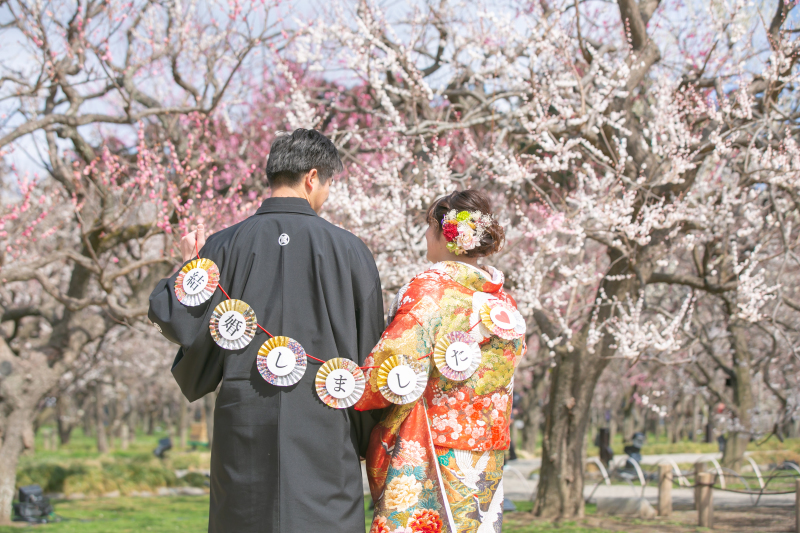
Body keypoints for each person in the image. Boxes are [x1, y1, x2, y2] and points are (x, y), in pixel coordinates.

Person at [148, 129, 385, 533]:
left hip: (245, 416)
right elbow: (369, 352)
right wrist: (366, 436)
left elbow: (170, 314)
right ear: (313, 178)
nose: (326, 193)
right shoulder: (351, 250)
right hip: (326, 417)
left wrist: (190, 267)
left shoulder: (224, 245)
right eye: (328, 183)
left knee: (246, 518)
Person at [355, 190, 526, 533]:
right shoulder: (503, 303)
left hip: (430, 445)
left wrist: (351, 390)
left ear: (446, 235)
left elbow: (393, 366)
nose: (424, 235)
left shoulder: (431, 291)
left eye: (429, 226)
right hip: (485, 454)